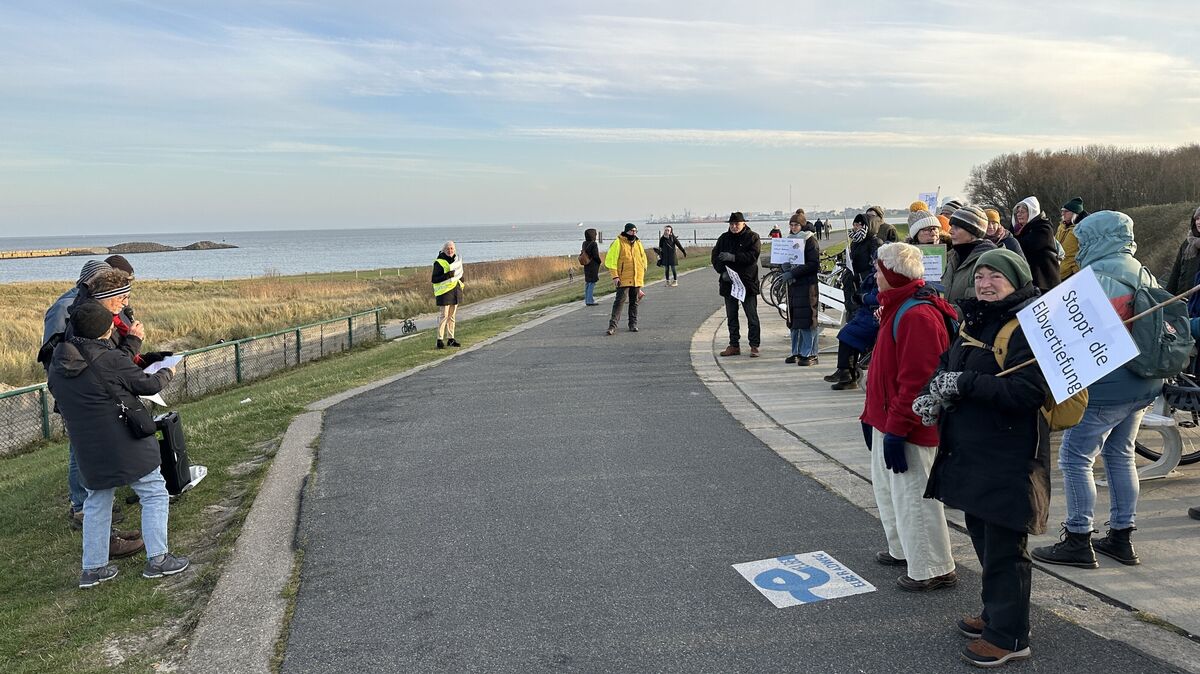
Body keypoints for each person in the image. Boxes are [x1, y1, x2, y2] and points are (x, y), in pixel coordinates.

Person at [916, 248, 1051, 668]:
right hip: (973, 451)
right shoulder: (975, 320)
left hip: (1009, 456)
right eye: (979, 276)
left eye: (995, 276)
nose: (985, 284)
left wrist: (965, 383)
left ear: (1016, 281)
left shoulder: (1029, 326)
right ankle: (996, 614)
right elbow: (949, 363)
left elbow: (1029, 392)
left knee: (1006, 548)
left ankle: (1009, 636)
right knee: (984, 537)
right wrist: (933, 391)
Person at [1032, 211, 1163, 569]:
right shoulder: (1141, 271)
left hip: (1106, 388)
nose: (1078, 245)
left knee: (1075, 459)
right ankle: (1121, 537)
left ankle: (1078, 538)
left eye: (1083, 239)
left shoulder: (1098, 278)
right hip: (1143, 383)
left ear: (1095, 239)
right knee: (1120, 455)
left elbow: (1070, 335)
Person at [48, 301, 189, 588]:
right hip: (125, 442)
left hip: (88, 448)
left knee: (97, 503)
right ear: (105, 332)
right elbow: (147, 385)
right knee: (153, 492)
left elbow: (100, 372)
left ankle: (93, 569)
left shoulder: (57, 365)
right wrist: (168, 372)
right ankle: (158, 560)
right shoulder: (108, 359)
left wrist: (130, 346)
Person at [861, 243, 958, 592]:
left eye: (879, 270)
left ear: (892, 274)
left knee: (915, 496)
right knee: (893, 492)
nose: (875, 275)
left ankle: (933, 567)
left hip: (908, 425)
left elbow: (918, 382)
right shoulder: (899, 305)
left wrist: (898, 429)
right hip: (887, 417)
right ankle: (904, 549)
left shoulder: (917, 315)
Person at [825, 213, 882, 389]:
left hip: (868, 302)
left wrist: (861, 283)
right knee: (848, 331)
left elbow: (876, 283)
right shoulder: (856, 242)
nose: (856, 227)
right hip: (858, 293)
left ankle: (848, 373)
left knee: (849, 333)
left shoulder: (874, 244)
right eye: (855, 224)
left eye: (860, 224)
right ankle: (845, 371)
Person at [711, 212, 762, 356]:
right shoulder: (723, 238)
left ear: (743, 224)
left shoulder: (752, 237)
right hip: (729, 283)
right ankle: (734, 345)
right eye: (732, 224)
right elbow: (715, 257)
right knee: (731, 316)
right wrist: (722, 271)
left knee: (752, 316)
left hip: (747, 283)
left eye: (737, 224)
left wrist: (733, 257)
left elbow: (752, 257)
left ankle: (754, 345)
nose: (734, 227)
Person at [780, 217, 821, 365]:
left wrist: (794, 273)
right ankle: (796, 351)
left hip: (807, 285)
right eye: (791, 225)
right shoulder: (789, 239)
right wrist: (784, 267)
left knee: (807, 319)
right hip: (794, 286)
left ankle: (810, 353)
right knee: (794, 319)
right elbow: (786, 258)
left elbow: (813, 264)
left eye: (796, 225)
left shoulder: (810, 240)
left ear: (802, 226)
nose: (793, 227)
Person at [942, 206, 998, 309]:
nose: (950, 231)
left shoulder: (988, 262)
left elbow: (984, 305)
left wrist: (946, 312)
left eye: (956, 227)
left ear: (973, 232)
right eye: (951, 226)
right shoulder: (952, 257)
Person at [605, 223, 649, 335]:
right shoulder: (618, 242)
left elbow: (643, 258)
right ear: (626, 231)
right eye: (631, 231)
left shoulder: (638, 243)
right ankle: (612, 326)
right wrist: (615, 276)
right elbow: (611, 261)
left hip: (636, 277)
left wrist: (643, 270)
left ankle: (633, 324)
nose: (633, 233)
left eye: (635, 231)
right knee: (619, 302)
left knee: (634, 302)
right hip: (623, 277)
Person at [1011, 197, 1061, 292]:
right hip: (1029, 281)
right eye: (1018, 212)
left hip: (1045, 281)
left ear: (1032, 212)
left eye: (1023, 212)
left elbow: (1025, 246)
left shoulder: (1043, 228)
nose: (1019, 214)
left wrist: (1010, 240)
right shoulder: (1017, 230)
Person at [431, 241, 464, 349]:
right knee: (444, 316)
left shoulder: (456, 261)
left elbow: (460, 273)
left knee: (452, 317)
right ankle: (439, 340)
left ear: (455, 249)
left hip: (455, 291)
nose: (450, 250)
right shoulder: (439, 262)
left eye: (452, 248)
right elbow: (434, 279)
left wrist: (461, 280)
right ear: (444, 250)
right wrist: (448, 275)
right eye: (448, 249)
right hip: (444, 293)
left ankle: (451, 339)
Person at [1165, 206, 1200, 299]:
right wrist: (1167, 297)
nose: (1199, 222)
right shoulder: (1187, 243)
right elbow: (1176, 272)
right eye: (1197, 219)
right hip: (1181, 299)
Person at [1057, 197, 1089, 280]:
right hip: (1059, 270)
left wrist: (1075, 270)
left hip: (1072, 274)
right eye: (1062, 211)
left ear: (1074, 213)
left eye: (1066, 211)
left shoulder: (1082, 230)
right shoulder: (1061, 227)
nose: (1063, 214)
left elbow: (1086, 251)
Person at [580, 228, 602, 305]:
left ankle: (587, 300)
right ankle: (590, 300)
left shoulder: (584, 243)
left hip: (586, 264)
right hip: (593, 265)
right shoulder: (594, 244)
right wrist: (599, 261)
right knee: (592, 282)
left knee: (588, 282)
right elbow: (595, 255)